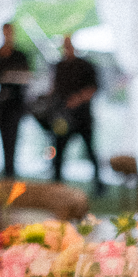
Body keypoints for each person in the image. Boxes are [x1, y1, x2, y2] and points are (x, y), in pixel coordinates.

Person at [0, 22, 33, 178]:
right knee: (4, 134)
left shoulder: (20, 55)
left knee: (13, 135)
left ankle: (10, 170)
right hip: (3, 102)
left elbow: (27, 77)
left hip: (16, 102)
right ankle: (8, 169)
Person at [50, 35, 101, 191]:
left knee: (90, 150)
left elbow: (93, 88)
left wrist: (78, 99)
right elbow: (54, 89)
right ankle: (57, 183)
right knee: (58, 149)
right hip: (64, 116)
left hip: (83, 116)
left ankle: (98, 183)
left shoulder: (85, 65)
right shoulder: (59, 66)